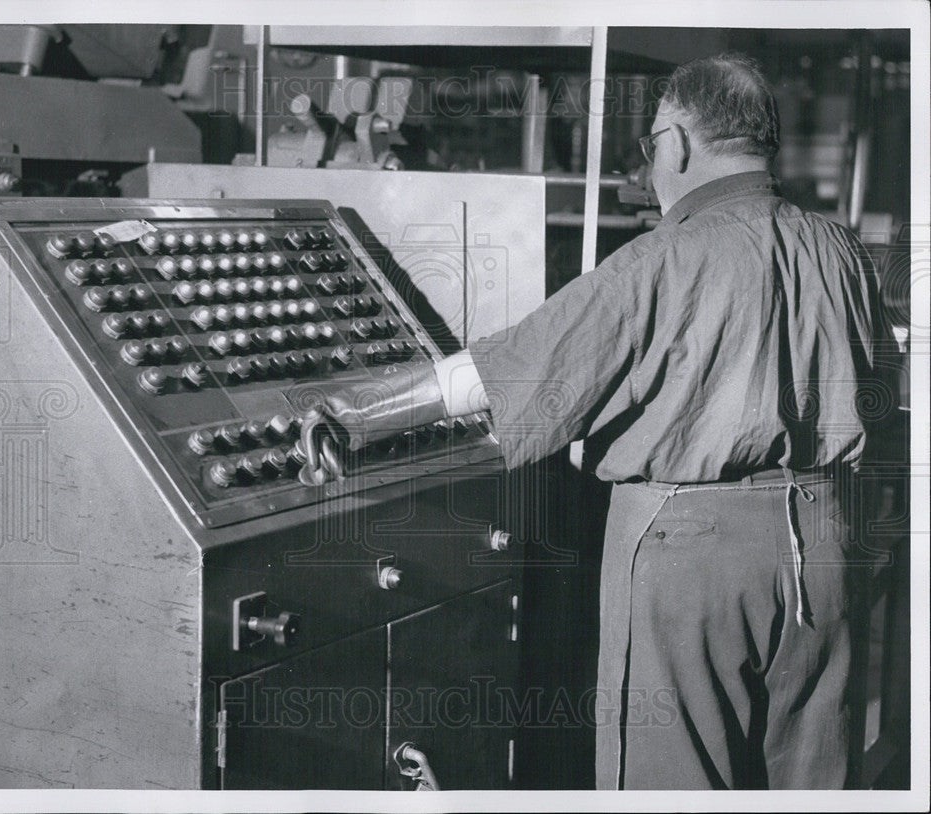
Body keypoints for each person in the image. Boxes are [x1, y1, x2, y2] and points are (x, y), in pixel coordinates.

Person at [298, 53, 890, 789]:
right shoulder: (842, 251)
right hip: (827, 544)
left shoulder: (659, 261)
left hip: (692, 556)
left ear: (674, 142)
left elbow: (508, 371)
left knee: (670, 784)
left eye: (650, 148)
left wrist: (356, 410)